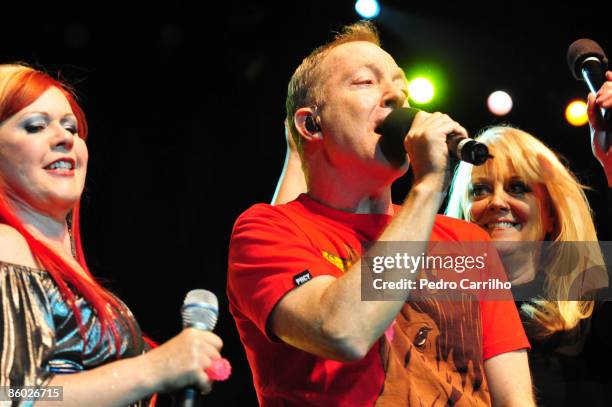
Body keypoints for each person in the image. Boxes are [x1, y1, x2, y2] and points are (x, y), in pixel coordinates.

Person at [228, 21, 533, 406]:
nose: (396, 97)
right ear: (311, 124)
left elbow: (515, 399)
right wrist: (428, 186)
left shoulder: (467, 243)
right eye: (364, 82)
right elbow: (342, 331)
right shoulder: (267, 231)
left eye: (400, 87)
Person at [0, 63, 223, 406]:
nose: (64, 138)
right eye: (36, 126)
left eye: (71, 128)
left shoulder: (58, 265)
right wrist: (154, 369)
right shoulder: (6, 247)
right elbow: (11, 395)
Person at [442, 72, 612, 406]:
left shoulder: (592, 307)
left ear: (551, 213)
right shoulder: (434, 309)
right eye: (480, 190)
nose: (497, 202)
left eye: (518, 187)